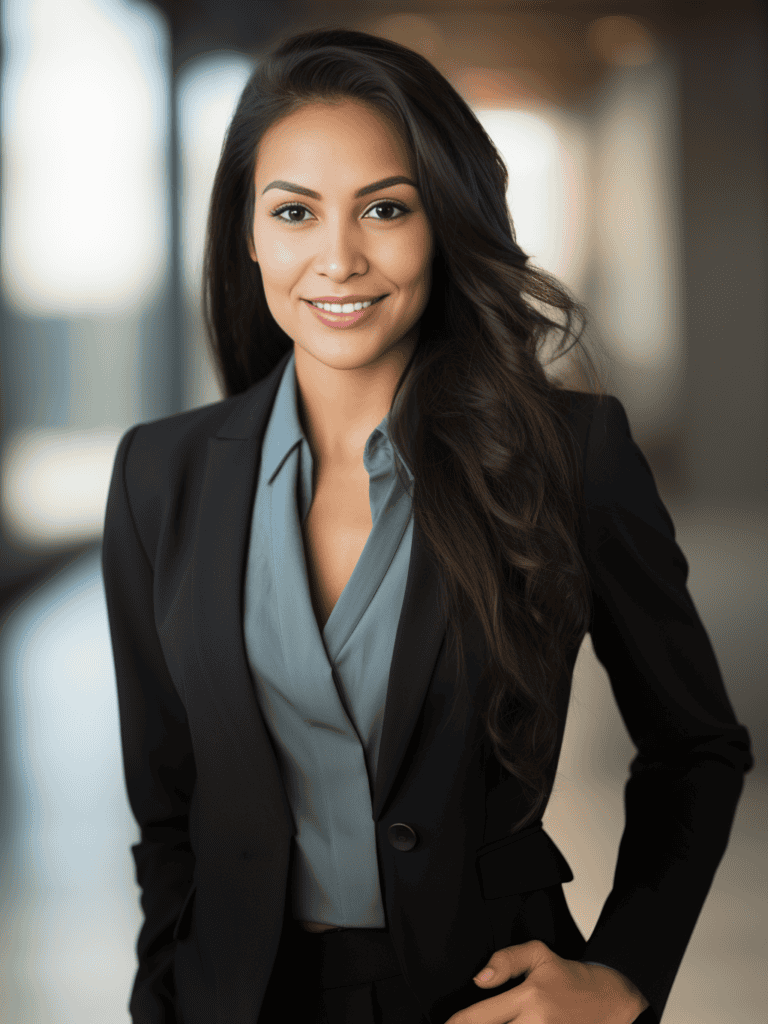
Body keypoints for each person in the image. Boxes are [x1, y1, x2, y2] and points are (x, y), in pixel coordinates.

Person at [101, 26, 753, 1024]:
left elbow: (695, 745)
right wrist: (166, 996)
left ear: (444, 220)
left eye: (386, 208)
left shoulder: (570, 456)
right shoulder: (160, 473)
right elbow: (167, 804)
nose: (339, 258)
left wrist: (626, 973)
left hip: (483, 996)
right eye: (294, 212)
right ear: (247, 231)